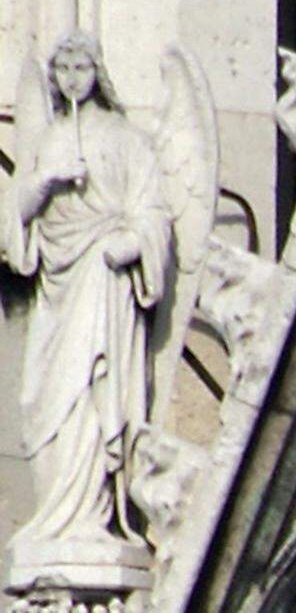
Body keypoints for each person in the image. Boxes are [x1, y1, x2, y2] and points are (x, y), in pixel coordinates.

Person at [3, 31, 171, 552]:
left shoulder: (127, 139)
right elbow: (11, 219)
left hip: (102, 282)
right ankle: (57, 515)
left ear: (98, 73)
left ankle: (90, 517)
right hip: (56, 287)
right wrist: (45, 182)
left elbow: (154, 213)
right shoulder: (50, 141)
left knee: (95, 394)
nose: (72, 79)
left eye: (81, 68)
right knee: (42, 401)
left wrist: (129, 244)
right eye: (63, 71)